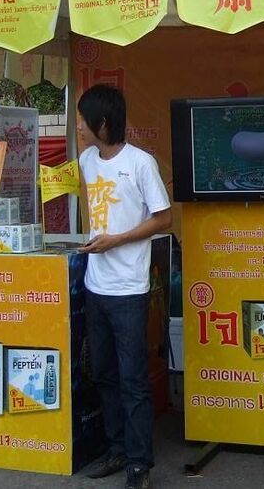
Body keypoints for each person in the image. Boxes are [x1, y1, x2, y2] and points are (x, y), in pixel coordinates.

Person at [77, 84, 172, 489]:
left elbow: (164, 218)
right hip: (95, 285)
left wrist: (116, 241)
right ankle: (116, 448)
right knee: (104, 374)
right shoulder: (86, 160)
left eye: (83, 120)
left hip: (129, 288)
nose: (78, 127)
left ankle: (139, 462)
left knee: (132, 379)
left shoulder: (140, 163)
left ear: (102, 123)